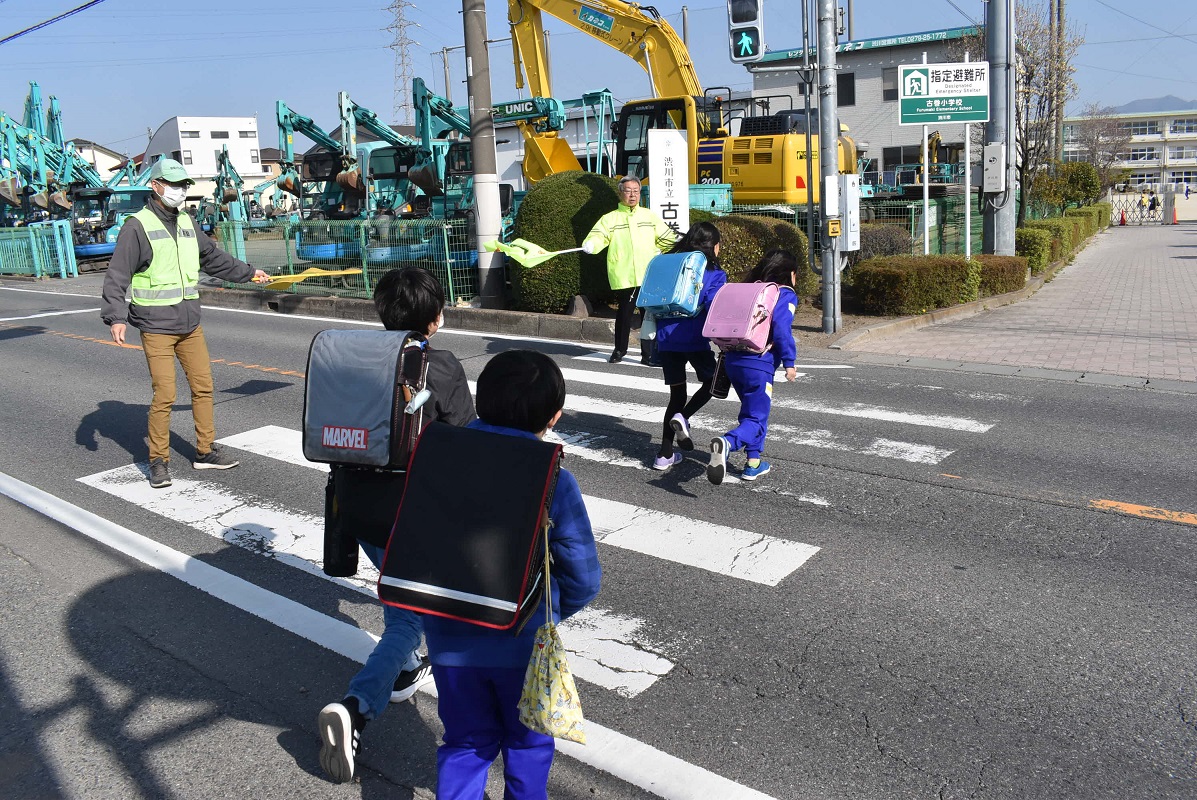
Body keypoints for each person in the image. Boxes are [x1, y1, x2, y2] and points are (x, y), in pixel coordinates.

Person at [318, 267, 476, 784]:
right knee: (412, 620)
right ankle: (356, 708)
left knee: (400, 603)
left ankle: (405, 667)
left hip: (359, 508)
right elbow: (466, 443)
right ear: (435, 319)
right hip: (416, 514)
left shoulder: (356, 359)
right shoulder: (444, 366)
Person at [422, 350, 601, 799]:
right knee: (527, 744)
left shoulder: (436, 457)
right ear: (554, 417)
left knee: (464, 743)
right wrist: (551, 609)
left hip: (448, 640)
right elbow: (582, 577)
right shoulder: (554, 478)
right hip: (523, 641)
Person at [100, 158, 270, 489]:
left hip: (190, 323)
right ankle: (158, 461)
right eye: (174, 185)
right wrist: (115, 316)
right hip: (155, 325)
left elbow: (213, 259)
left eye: (183, 185)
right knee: (165, 394)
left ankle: (205, 452)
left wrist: (249, 272)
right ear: (156, 185)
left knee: (203, 387)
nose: (180, 191)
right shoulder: (137, 226)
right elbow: (117, 273)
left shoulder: (187, 222)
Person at [707, 248, 800, 485]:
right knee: (756, 417)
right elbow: (781, 328)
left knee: (753, 412)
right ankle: (727, 443)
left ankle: (754, 463)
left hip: (733, 360)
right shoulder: (784, 293)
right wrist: (789, 362)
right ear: (790, 274)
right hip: (759, 363)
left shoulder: (750, 288)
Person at [651, 221, 727, 470]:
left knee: (676, 395)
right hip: (694, 338)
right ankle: (683, 416)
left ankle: (664, 455)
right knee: (713, 382)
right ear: (713, 246)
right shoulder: (714, 273)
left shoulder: (671, 263)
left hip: (666, 338)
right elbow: (715, 305)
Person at [581, 176, 677, 363]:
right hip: (624, 274)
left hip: (648, 274)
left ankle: (648, 354)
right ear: (620, 193)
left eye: (636, 191)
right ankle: (619, 350)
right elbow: (598, 236)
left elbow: (667, 238)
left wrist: (676, 245)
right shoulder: (610, 218)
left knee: (649, 316)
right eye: (628, 190)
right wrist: (590, 244)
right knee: (624, 313)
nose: (632, 195)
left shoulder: (649, 216)